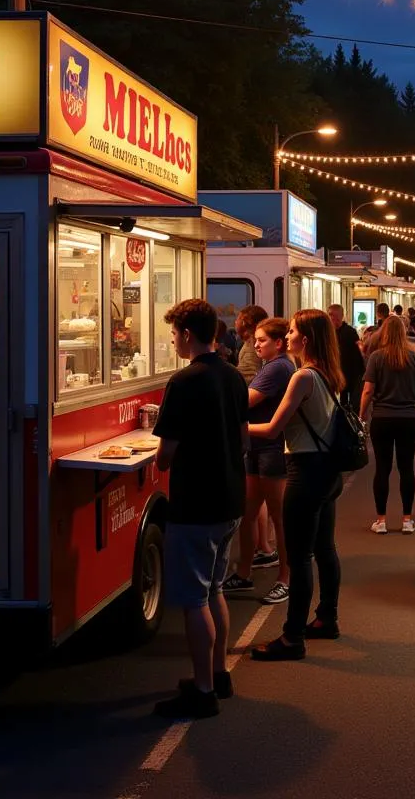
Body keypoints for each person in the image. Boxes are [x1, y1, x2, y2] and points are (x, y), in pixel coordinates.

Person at [152, 298, 248, 718]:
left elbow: (165, 455)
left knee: (194, 599)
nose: (173, 339)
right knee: (215, 590)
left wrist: (162, 455)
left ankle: (203, 691)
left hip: (196, 502)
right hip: (230, 497)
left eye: (174, 333)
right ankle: (219, 673)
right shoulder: (233, 376)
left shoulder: (184, 382)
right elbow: (242, 437)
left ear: (187, 334)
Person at [249, 310, 346, 660]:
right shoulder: (329, 374)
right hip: (328, 469)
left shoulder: (302, 376)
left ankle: (292, 637)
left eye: (290, 332)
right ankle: (326, 619)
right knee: (325, 549)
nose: (286, 336)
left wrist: (234, 427)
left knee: (300, 555)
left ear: (304, 339)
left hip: (304, 470)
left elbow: (273, 429)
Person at [222, 318, 294, 604]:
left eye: (262, 340)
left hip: (271, 450)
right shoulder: (274, 365)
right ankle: (244, 572)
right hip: (258, 448)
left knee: (279, 517)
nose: (255, 344)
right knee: (249, 511)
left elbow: (246, 400)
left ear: (278, 342)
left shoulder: (278, 367)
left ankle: (285, 578)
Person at [361, 315, 415, 534]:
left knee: (382, 468)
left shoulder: (376, 358)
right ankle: (407, 520)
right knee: (406, 468)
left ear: (383, 333)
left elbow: (368, 390)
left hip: (382, 418)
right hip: (408, 418)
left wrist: (362, 414)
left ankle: (381, 521)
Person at [329, 304, 365, 409]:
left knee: (354, 402)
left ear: (341, 316)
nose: (331, 318)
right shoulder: (330, 333)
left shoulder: (350, 332)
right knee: (341, 401)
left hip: (352, 373)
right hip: (338, 372)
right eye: (330, 315)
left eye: (333, 315)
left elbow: (358, 353)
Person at [235, 304, 269, 385]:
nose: (235, 322)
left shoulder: (252, 345)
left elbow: (249, 377)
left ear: (244, 322)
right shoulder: (252, 342)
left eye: (238, 319)